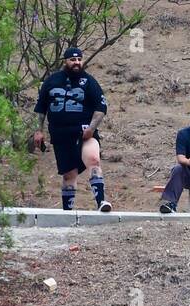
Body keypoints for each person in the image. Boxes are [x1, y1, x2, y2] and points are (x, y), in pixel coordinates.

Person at [33, 46, 112, 212]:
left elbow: (100, 108)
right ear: (65, 61)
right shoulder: (51, 81)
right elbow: (40, 108)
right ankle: (67, 212)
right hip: (60, 135)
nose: (76, 63)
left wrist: (91, 128)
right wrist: (38, 131)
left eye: (79, 59)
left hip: (84, 132)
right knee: (69, 175)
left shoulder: (89, 81)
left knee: (93, 160)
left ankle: (101, 202)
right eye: (72, 60)